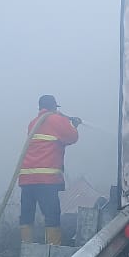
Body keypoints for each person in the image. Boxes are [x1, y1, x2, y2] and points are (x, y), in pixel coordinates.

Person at [18, 95, 80, 245]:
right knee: (52, 215)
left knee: (27, 215)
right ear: (54, 107)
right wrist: (73, 125)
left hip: (26, 179)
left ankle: (26, 248)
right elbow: (72, 137)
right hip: (46, 179)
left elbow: (53, 141)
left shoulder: (33, 123)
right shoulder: (56, 120)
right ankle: (52, 251)